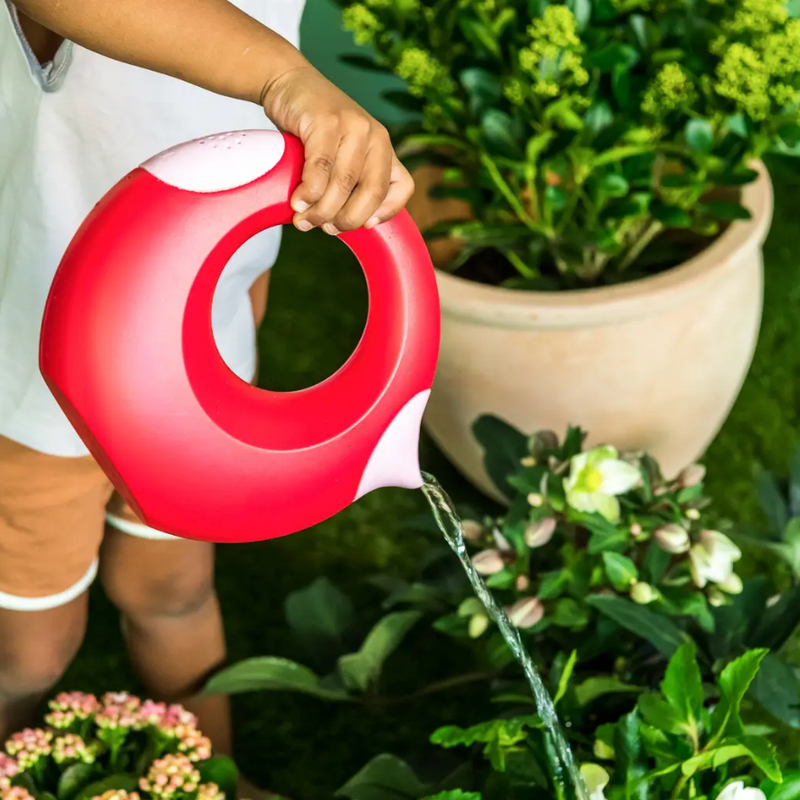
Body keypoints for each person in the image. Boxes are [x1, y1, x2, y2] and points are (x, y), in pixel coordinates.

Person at [0, 0, 415, 784]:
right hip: (35, 378)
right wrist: (286, 78)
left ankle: (213, 775)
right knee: (28, 652)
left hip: (202, 336)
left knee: (175, 590)